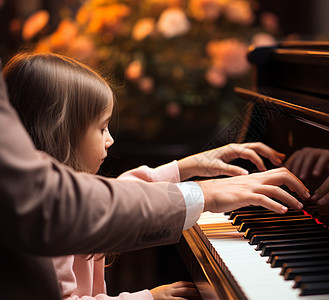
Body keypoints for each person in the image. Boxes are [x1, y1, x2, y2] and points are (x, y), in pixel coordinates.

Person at [2, 52, 310, 300]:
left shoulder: (55, 204)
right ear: (61, 135)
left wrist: (188, 167)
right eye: (101, 128)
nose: (110, 139)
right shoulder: (48, 236)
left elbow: (114, 196)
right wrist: (148, 297)